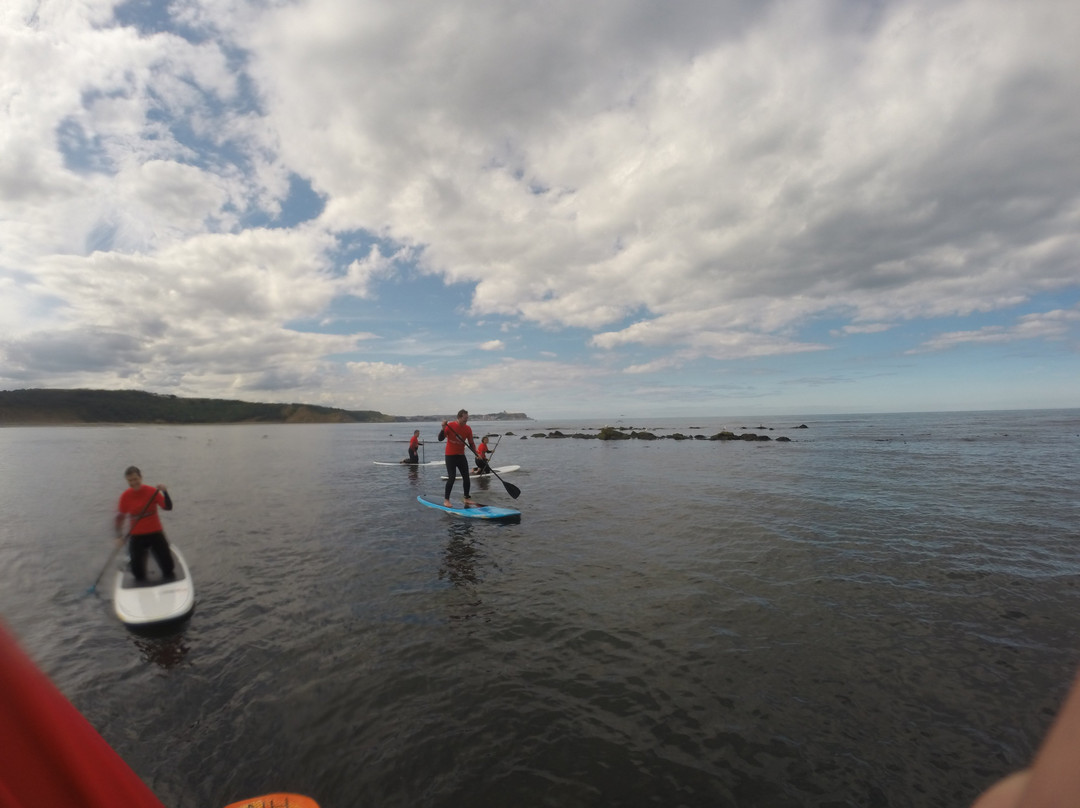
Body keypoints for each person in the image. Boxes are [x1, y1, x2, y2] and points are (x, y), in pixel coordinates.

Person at [114, 466, 174, 582]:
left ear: (141, 478)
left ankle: (150, 554)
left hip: (155, 533)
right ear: (127, 481)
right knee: (138, 575)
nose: (133, 482)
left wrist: (165, 492)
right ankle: (135, 560)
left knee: (168, 569)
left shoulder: (152, 492)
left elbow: (168, 507)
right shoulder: (125, 496)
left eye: (136, 479)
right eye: (130, 480)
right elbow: (120, 518)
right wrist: (118, 536)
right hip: (137, 536)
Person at [438, 409, 477, 507]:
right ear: (459, 417)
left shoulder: (468, 428)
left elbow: (471, 443)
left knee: (466, 477)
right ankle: (446, 500)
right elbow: (440, 438)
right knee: (452, 477)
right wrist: (443, 428)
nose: (466, 421)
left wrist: (476, 453)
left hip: (461, 455)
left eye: (467, 418)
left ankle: (466, 498)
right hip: (450, 455)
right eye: (465, 419)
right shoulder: (450, 426)